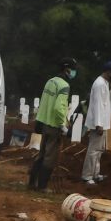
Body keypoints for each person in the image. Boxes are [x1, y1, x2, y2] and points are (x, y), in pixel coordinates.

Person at [28, 57, 76, 190]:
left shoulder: (50, 81)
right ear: (67, 69)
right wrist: (63, 126)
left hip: (44, 123)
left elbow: (45, 103)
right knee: (49, 157)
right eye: (72, 70)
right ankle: (42, 186)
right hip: (54, 126)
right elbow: (58, 108)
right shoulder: (64, 86)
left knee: (42, 154)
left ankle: (32, 183)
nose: (73, 73)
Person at [81, 60, 111, 185]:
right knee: (93, 150)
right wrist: (98, 124)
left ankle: (95, 174)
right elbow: (97, 105)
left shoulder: (105, 84)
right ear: (109, 72)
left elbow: (107, 102)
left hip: (103, 122)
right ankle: (87, 176)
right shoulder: (99, 84)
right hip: (99, 123)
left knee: (99, 150)